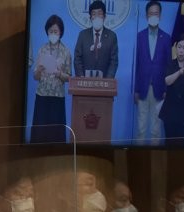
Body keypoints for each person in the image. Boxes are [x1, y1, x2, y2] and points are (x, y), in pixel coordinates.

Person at [133, 1, 172, 145]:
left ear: (160, 15)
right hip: (142, 88)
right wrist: (135, 89)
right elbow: (136, 65)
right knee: (141, 128)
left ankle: (153, 157)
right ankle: (138, 158)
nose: (153, 16)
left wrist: (167, 89)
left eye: (156, 13)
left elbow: (169, 65)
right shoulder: (139, 36)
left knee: (156, 130)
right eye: (151, 13)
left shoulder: (166, 38)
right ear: (146, 15)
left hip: (159, 89)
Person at [31, 14, 71, 143]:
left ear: (61, 32)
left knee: (55, 134)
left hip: (57, 98)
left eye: (56, 31)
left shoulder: (66, 51)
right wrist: (39, 70)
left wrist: (60, 74)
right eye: (51, 31)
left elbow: (69, 77)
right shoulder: (42, 49)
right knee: (40, 133)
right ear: (47, 32)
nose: (53, 33)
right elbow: (35, 77)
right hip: (42, 96)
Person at [160, 36, 184, 146]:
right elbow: (167, 81)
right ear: (176, 48)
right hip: (170, 110)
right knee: (169, 142)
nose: (181, 50)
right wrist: (179, 73)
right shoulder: (170, 63)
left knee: (180, 143)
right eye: (179, 47)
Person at [74, 0, 119, 78]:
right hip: (84, 83)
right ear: (90, 18)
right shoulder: (83, 35)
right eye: (94, 14)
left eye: (100, 13)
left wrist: (108, 80)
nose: (97, 17)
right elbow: (77, 58)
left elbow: (113, 61)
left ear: (104, 17)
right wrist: (81, 77)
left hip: (104, 84)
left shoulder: (112, 36)